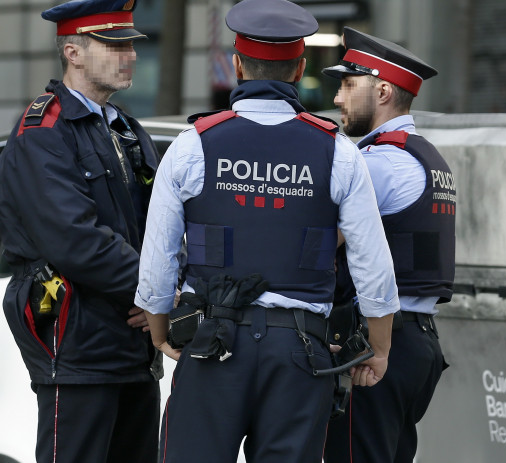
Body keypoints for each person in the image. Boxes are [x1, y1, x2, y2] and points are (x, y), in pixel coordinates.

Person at [134, 1, 399, 462]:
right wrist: (379, 349)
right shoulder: (338, 150)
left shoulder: (192, 144)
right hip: (300, 357)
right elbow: (373, 266)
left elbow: (157, 262)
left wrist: (159, 333)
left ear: (237, 66)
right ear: (299, 69)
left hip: (210, 347)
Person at [0, 1, 161, 462]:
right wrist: (157, 292)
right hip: (76, 336)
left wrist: (162, 295)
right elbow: (76, 240)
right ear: (73, 52)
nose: (129, 55)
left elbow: (162, 227)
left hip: (133, 338)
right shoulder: (44, 131)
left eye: (131, 44)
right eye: (114, 45)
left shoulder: (125, 129)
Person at [322, 27, 456, 463]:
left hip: (376, 346)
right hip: (418, 344)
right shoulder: (424, 156)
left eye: (347, 84)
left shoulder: (375, 165)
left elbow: (318, 245)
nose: (338, 98)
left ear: (381, 91)